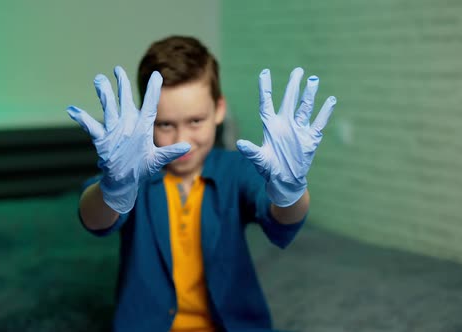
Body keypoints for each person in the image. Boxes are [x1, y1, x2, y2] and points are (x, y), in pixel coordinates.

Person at [66, 35, 336, 332]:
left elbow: (281, 219)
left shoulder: (235, 169)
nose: (182, 142)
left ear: (219, 109)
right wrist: (112, 190)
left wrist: (291, 191)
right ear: (146, 117)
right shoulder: (133, 172)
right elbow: (94, 219)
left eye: (195, 121)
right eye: (165, 124)